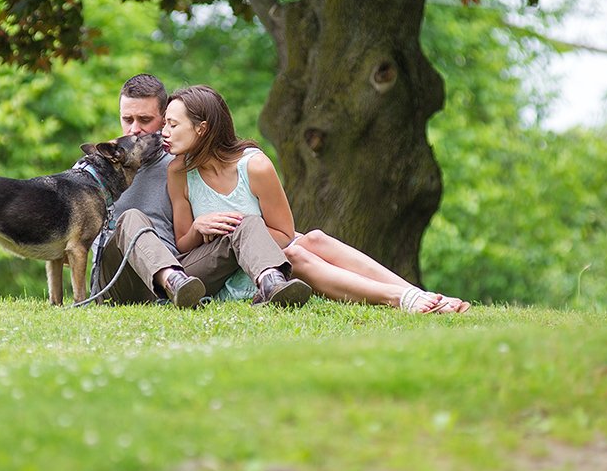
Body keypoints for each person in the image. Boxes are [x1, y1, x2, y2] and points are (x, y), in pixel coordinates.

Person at [162, 84, 470, 314]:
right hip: (225, 273)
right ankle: (399, 298)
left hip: (264, 259)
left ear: (202, 128)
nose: (164, 131)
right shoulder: (178, 172)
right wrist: (200, 227)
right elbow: (183, 245)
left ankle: (416, 293)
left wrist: (245, 234)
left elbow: (283, 234)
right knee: (297, 254)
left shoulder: (253, 166)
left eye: (172, 124)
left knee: (315, 239)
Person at [91, 74, 311, 308]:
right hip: (119, 280)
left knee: (246, 222)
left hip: (182, 276)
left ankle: (272, 285)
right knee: (132, 217)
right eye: (127, 119)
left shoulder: (181, 164)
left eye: (145, 120)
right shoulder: (100, 163)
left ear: (163, 118)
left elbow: (192, 237)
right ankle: (173, 281)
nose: (135, 129)